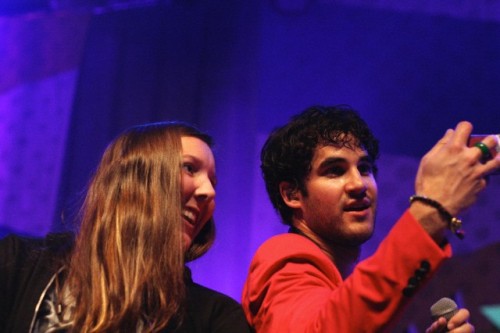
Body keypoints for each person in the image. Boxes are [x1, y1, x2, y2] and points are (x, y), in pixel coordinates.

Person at [242, 105, 499, 332]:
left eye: (364, 168)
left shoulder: (335, 277)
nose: (358, 184)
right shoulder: (284, 258)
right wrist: (433, 210)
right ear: (292, 194)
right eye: (334, 171)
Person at [0, 121, 252, 333]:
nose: (208, 191)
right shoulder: (18, 263)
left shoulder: (216, 319)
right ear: (134, 179)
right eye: (189, 168)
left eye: (213, 181)